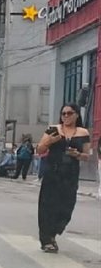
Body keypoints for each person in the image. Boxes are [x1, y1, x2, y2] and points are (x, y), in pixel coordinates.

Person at [34, 104, 90, 253]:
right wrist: (49, 142)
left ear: (77, 115)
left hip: (70, 175)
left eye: (69, 113)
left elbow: (87, 156)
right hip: (53, 173)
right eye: (63, 113)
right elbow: (40, 150)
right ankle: (47, 239)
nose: (65, 116)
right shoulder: (53, 129)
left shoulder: (83, 133)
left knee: (66, 207)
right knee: (47, 207)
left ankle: (54, 232)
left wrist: (77, 155)